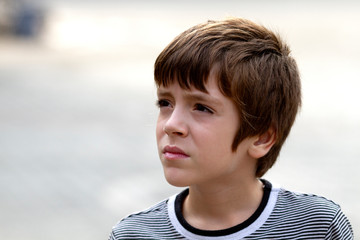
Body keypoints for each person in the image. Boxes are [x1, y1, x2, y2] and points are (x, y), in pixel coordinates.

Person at [109, 17, 353, 239]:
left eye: (202, 108)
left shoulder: (317, 227)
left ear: (261, 138)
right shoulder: (132, 235)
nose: (172, 125)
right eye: (165, 103)